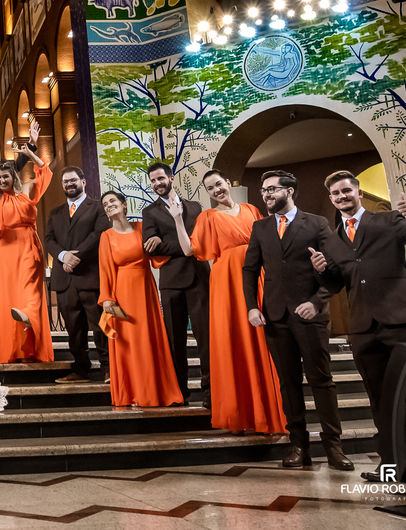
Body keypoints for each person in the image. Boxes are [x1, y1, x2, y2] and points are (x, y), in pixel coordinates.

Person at [312, 170, 406, 481]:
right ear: (332, 199)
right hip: (362, 328)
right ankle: (391, 465)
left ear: (358, 193)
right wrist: (321, 271)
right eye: (336, 194)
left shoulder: (388, 221)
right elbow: (337, 283)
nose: (342, 197)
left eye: (347, 191)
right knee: (379, 397)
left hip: (399, 320)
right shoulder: (334, 239)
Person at [243, 170, 352, 471]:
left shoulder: (317, 223)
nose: (266, 195)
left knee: (321, 381)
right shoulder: (261, 227)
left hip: (311, 317)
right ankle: (298, 446)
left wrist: (316, 303)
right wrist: (252, 307)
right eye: (264, 191)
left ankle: (334, 447)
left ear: (289, 192)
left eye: (272, 190)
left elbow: (334, 273)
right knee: (288, 384)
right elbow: (249, 270)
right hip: (275, 317)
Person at [163, 169, 286, 434]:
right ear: (208, 194)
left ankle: (269, 410)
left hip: (259, 275)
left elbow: (272, 240)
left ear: (227, 183)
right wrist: (177, 220)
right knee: (235, 341)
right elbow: (188, 250)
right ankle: (240, 411)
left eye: (219, 184)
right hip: (227, 282)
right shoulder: (208, 217)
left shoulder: (252, 209)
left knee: (264, 339)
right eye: (210, 188)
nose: (216, 190)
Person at [97, 190, 183, 408]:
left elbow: (160, 251)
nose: (109, 205)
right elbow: (105, 269)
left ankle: (156, 391)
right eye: (105, 204)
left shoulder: (143, 228)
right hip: (122, 294)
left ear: (124, 205)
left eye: (113, 201)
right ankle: (134, 392)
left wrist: (156, 238)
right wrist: (107, 299)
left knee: (150, 340)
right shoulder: (106, 236)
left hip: (145, 291)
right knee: (130, 345)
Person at [0, 121, 53, 364]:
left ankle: (30, 320)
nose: (2, 180)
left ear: (13, 177)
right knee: (10, 297)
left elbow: (45, 174)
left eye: (5, 176)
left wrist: (32, 152)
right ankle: (16, 348)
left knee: (31, 289)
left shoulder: (26, 192)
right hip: (6, 253)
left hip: (29, 247)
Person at [141, 162, 211, 407]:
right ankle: (179, 393)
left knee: (207, 339)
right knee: (174, 340)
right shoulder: (150, 212)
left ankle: (210, 394)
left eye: (160, 178)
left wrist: (171, 243)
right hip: (171, 283)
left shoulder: (195, 207)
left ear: (171, 177)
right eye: (153, 181)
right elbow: (150, 247)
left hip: (200, 279)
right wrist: (184, 247)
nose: (157, 184)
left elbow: (202, 239)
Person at [44, 167, 110, 384]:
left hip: (89, 276)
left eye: (73, 180)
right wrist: (62, 256)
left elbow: (99, 234)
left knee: (100, 326)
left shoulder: (98, 207)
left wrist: (76, 256)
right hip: (65, 280)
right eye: (65, 182)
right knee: (74, 330)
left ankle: (108, 369)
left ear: (83, 181)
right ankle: (80, 369)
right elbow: (49, 240)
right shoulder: (55, 213)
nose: (69, 185)